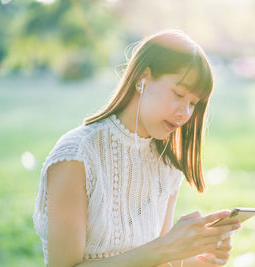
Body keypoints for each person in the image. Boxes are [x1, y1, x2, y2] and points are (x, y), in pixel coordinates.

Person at [33, 29, 241, 267]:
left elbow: (157, 260)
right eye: (179, 93)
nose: (185, 113)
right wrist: (166, 248)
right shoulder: (77, 156)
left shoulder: (167, 163)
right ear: (143, 78)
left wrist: (199, 257)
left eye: (193, 103)